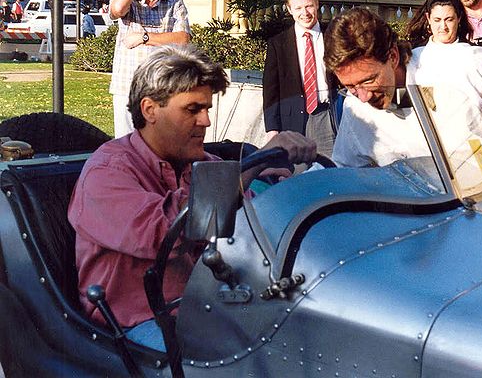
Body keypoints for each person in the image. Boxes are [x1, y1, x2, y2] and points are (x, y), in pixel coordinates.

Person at [70, 44, 317, 352]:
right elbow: (167, 234)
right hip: (137, 323)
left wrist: (288, 198)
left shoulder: (205, 165)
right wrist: (250, 169)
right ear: (149, 110)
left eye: (207, 109)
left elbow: (255, 228)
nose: (206, 121)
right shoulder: (107, 171)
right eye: (192, 110)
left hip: (208, 309)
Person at [325, 0, 482, 221]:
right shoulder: (355, 106)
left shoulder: (462, 66)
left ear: (393, 56)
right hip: (445, 206)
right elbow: (347, 169)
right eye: (350, 87)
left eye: (368, 81)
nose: (363, 96)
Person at [109, 0, 190, 138]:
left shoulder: (174, 3)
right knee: (127, 150)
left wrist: (144, 37)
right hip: (127, 90)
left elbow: (183, 39)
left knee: (160, 149)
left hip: (162, 91)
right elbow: (118, 9)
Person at [262, 0, 339, 157]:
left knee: (329, 174)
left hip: (327, 117)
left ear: (317, 4)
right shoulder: (278, 44)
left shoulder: (333, 36)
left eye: (309, 6)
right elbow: (270, 90)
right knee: (296, 177)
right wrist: (272, 129)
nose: (305, 13)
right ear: (289, 9)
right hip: (292, 121)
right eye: (298, 8)